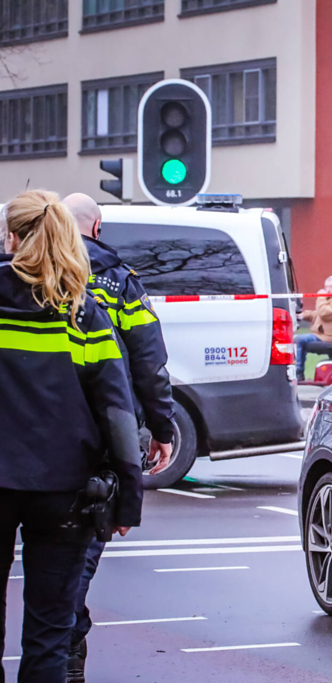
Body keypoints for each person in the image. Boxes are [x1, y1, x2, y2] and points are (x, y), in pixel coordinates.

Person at [0, 190, 143, 683]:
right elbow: (116, 408)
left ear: (11, 238)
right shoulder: (80, 312)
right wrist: (128, 498)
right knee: (49, 634)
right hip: (65, 490)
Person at [62, 193, 174, 683]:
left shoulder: (30, 274)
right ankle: (66, 656)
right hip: (104, 434)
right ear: (98, 228)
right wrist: (162, 426)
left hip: (37, 432)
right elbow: (149, 359)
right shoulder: (120, 280)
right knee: (77, 556)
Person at [295, 276, 332, 380]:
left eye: (331, 286)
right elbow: (318, 314)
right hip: (321, 335)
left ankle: (298, 373)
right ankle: (299, 372)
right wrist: (304, 315)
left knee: (297, 340)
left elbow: (323, 313)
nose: (328, 289)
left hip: (328, 337)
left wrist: (321, 296)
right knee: (298, 340)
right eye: (326, 287)